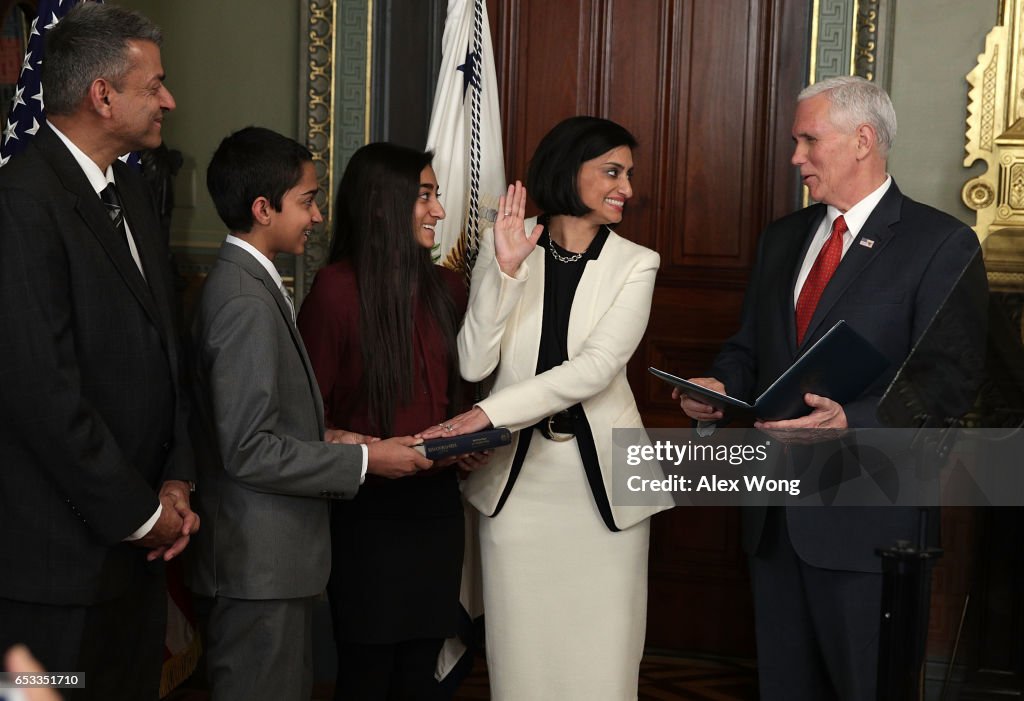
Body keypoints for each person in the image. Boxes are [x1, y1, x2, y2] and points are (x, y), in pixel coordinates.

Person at [677, 76, 987, 700]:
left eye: (808, 140)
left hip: (868, 523)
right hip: (775, 519)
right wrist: (719, 387)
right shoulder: (782, 238)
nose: (795, 158)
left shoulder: (940, 244)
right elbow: (750, 350)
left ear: (862, 140)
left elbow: (948, 382)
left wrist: (854, 420)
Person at [421, 116, 672, 700]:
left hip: (606, 483)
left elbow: (594, 369)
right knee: (521, 656)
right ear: (569, 172)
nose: (627, 189)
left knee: (605, 659)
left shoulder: (638, 262)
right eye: (612, 172)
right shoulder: (508, 239)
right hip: (516, 486)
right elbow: (473, 362)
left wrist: (489, 415)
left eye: (629, 175)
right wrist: (504, 271)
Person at [189, 128, 432, 701]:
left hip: (271, 564)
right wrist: (364, 460)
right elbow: (248, 448)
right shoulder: (245, 300)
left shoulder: (250, 285)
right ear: (262, 208)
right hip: (258, 567)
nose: (318, 216)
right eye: (306, 200)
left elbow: (258, 421)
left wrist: (331, 435)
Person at [0, 5, 198, 700]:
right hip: (56, 577)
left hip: (139, 561)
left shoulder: (137, 189)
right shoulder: (22, 204)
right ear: (103, 95)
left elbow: (166, 353)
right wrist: (144, 516)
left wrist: (176, 481)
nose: (169, 100)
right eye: (155, 86)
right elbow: (43, 395)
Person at [297, 142, 481, 700]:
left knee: (422, 675)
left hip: (438, 512)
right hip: (366, 516)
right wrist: (350, 443)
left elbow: (463, 400)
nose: (439, 212)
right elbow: (304, 415)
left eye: (436, 195)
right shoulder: (335, 292)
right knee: (367, 675)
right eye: (424, 196)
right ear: (382, 206)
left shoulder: (450, 290)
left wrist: (470, 442)